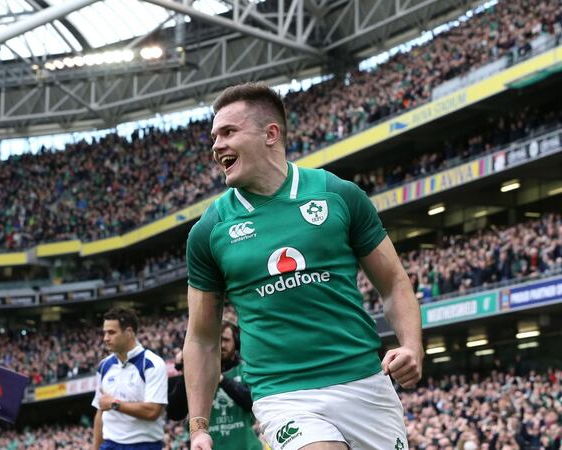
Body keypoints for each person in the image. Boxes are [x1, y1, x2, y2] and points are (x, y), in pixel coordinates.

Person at [184, 82, 423, 450]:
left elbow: (392, 281)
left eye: (228, 132)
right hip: (283, 395)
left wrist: (411, 346)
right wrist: (199, 425)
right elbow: (201, 336)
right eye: (214, 136)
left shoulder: (338, 194)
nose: (216, 146)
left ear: (270, 133)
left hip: (363, 382)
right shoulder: (210, 230)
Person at [168, 321, 262, 450]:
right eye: (216, 340)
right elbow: (175, 413)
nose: (221, 345)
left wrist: (221, 379)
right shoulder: (196, 375)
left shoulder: (245, 369)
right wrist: (188, 369)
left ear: (236, 343)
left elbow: (252, 402)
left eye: (226, 340)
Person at [91, 307, 168, 450]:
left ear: (129, 332)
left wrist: (115, 404)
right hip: (110, 445)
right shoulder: (104, 366)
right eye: (105, 333)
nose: (106, 338)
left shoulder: (152, 364)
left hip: (145, 445)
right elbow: (100, 411)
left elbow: (152, 412)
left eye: (111, 333)